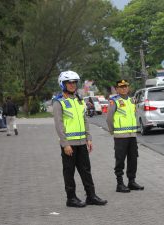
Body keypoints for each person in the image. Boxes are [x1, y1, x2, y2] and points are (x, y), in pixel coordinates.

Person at [53, 70, 107, 207]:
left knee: (86, 170)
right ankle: (71, 198)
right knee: (69, 171)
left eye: (74, 82)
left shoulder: (79, 100)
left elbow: (85, 120)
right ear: (63, 84)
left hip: (82, 142)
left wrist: (89, 138)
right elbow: (59, 125)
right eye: (69, 83)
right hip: (69, 144)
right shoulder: (59, 102)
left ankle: (91, 196)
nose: (72, 85)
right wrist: (65, 144)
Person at [106, 79, 144, 193]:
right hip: (120, 137)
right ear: (117, 89)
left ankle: (131, 181)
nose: (124, 88)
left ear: (128, 88)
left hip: (132, 136)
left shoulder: (132, 100)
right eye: (121, 87)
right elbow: (109, 118)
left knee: (133, 159)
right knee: (120, 160)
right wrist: (113, 132)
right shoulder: (114, 101)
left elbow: (134, 115)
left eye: (125, 86)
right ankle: (120, 183)